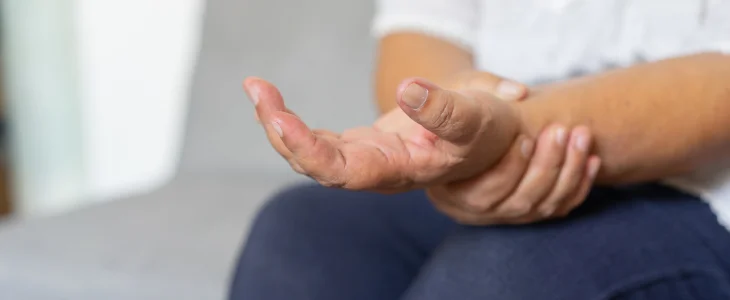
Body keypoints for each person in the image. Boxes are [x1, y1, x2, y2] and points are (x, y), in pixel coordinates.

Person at [230, 1, 730, 299]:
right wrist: (444, 132)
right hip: (500, 126)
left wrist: (509, 132)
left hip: (706, 191)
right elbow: (423, 28)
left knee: (500, 278)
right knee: (306, 235)